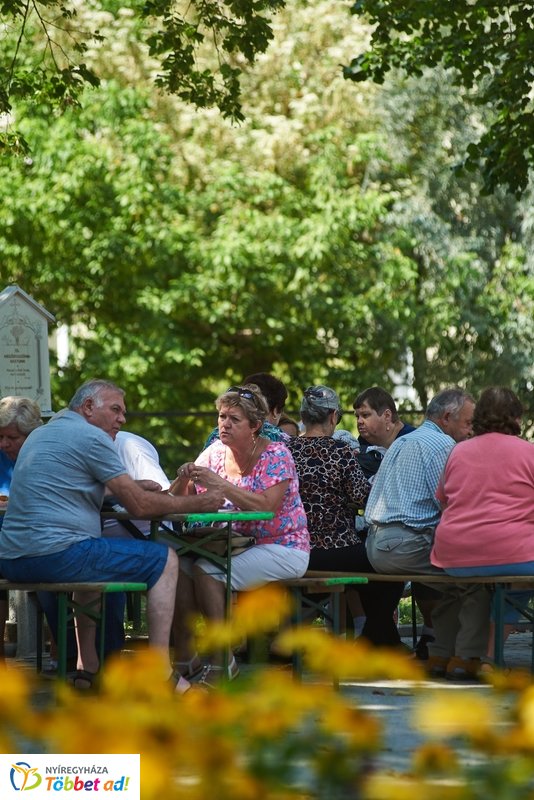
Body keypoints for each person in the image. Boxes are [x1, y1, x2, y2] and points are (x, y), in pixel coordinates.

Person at [0, 379, 225, 691]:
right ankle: (160, 672)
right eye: (116, 409)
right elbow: (142, 506)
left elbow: (72, 486)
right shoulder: (92, 438)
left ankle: (87, 667)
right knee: (164, 559)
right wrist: (199, 502)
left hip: (12, 558)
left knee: (94, 556)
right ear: (89, 407)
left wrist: (131, 487)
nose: (123, 418)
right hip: (56, 554)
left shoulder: (42, 433)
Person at [171, 384, 309, 685]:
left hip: (282, 546)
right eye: (222, 416)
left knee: (207, 570)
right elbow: (179, 498)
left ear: (255, 426)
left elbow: (267, 507)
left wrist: (221, 486)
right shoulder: (214, 453)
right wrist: (183, 479)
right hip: (231, 546)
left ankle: (223, 661)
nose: (224, 424)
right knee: (178, 567)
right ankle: (185, 655)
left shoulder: (276, 454)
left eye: (234, 419)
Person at [364, 387, 475, 669]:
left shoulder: (405, 440)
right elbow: (452, 508)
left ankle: (434, 646)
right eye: (468, 422)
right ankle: (464, 656)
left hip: (378, 545)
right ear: (447, 417)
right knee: (477, 578)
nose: (471, 430)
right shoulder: (442, 447)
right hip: (404, 546)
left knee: (453, 569)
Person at [429, 387, 534, 678]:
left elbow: (443, 499)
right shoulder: (529, 451)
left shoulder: (458, 451)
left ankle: (457, 656)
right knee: (520, 585)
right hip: (515, 553)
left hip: (456, 555)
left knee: (478, 585)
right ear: (515, 417)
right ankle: (490, 657)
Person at [287, 386, 404, 647]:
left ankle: (379, 638)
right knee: (389, 565)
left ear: (304, 416)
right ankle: (377, 637)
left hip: (296, 550)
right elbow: (365, 499)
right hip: (338, 549)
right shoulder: (340, 452)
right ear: (333, 417)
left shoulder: (285, 451)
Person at [352, 386, 441, 658]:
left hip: (415, 533)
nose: (359, 421)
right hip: (381, 535)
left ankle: (429, 635)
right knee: (365, 558)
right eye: (357, 415)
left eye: (365, 414)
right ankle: (380, 636)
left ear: (387, 415)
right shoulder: (363, 445)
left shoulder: (415, 441)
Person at [0, 396, 44, 662]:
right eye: (0, 436)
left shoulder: (45, 453)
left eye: (11, 438)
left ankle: (60, 653)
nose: (3, 443)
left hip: (36, 539)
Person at [204, 372, 289, 447]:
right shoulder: (280, 438)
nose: (226, 424)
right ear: (275, 410)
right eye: (222, 416)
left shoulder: (216, 434)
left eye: (235, 419)